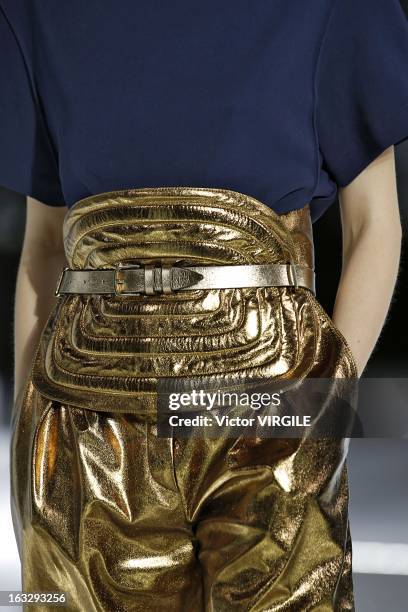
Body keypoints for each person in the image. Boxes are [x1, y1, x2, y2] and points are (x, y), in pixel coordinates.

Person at [1, 1, 407, 610]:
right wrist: (29, 436)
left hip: (266, 403)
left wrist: (323, 407)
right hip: (82, 415)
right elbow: (43, 246)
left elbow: (375, 224)